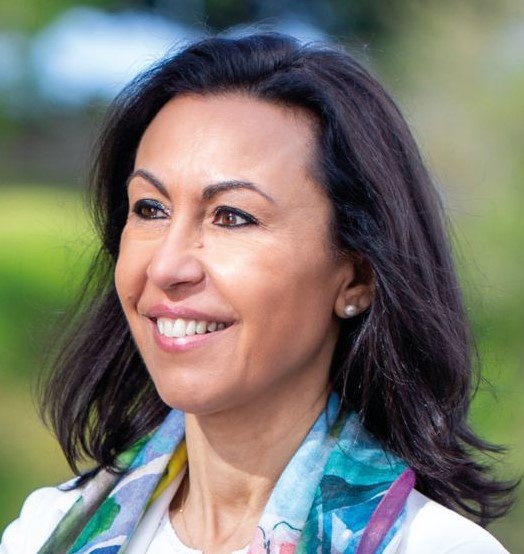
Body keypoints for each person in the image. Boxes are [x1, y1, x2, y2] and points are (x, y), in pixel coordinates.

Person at [0, 33, 515, 554]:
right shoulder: (45, 531)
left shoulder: (432, 546)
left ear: (357, 277)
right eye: (150, 209)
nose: (167, 265)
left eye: (232, 216)